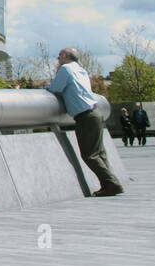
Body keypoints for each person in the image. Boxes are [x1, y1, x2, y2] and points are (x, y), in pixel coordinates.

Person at [46, 47, 125, 196]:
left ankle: (112, 184)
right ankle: (108, 185)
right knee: (99, 153)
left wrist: (48, 87)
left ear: (65, 56)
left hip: (85, 117)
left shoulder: (66, 69)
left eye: (59, 56)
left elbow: (55, 88)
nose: (58, 59)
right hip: (94, 113)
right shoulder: (80, 70)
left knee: (90, 155)